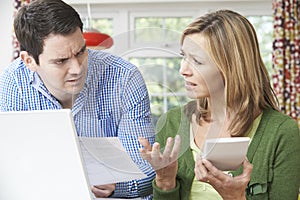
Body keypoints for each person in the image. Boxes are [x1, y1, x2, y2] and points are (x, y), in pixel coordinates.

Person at [0, 0, 155, 199]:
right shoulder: (12, 85)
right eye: (61, 61)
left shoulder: (123, 77)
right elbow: (12, 167)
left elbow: (148, 171)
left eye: (81, 52)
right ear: (29, 61)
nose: (77, 69)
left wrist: (117, 186)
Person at [138, 9, 300, 200]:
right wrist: (165, 181)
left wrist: (236, 197)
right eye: (184, 56)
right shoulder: (173, 122)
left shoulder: (282, 132)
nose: (183, 70)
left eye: (197, 61)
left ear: (231, 67)